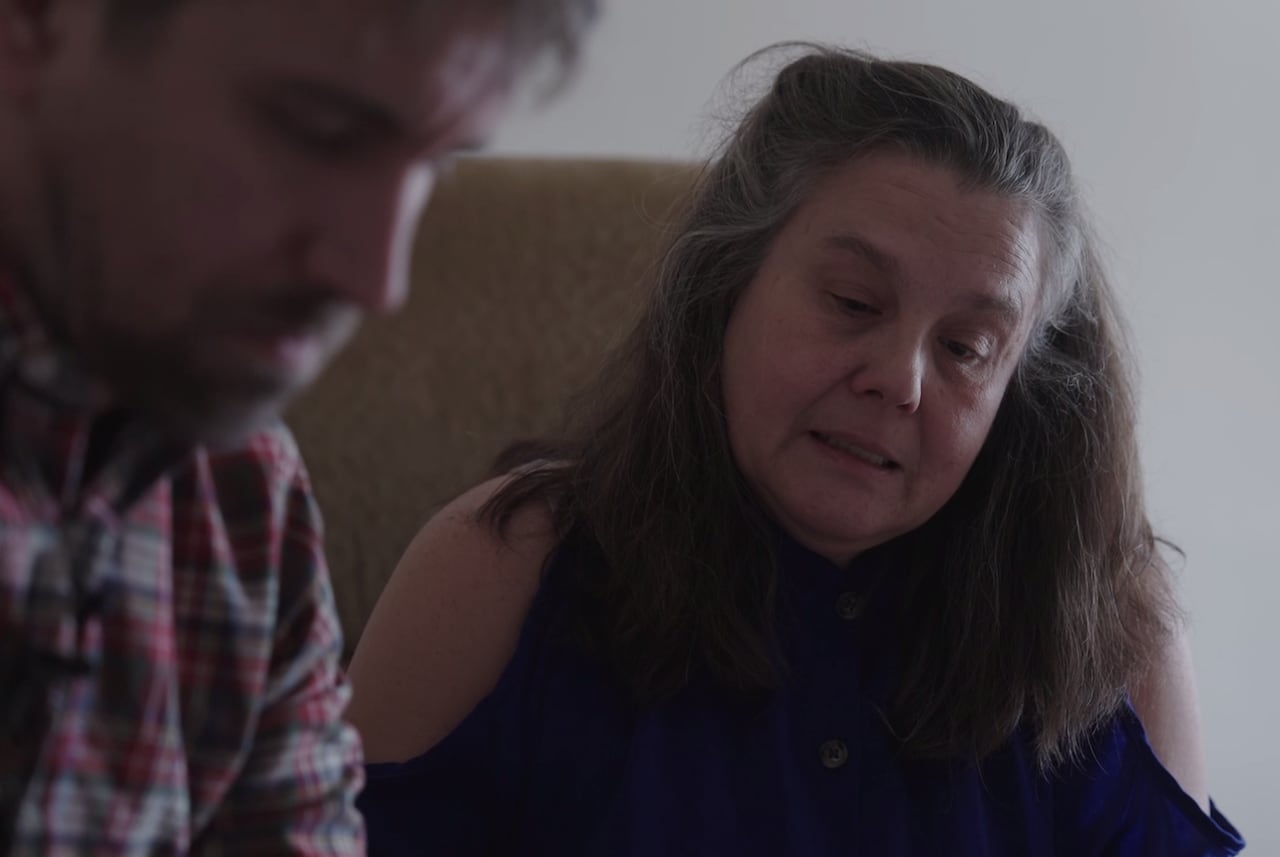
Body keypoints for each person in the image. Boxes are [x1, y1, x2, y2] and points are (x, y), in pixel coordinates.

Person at [347, 45, 1245, 855]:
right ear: (725, 287)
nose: (900, 380)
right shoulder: (498, 568)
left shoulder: (1110, 624)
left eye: (967, 349)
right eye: (854, 302)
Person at [0, 0, 596, 853]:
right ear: (35, 24)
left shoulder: (242, 490)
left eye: (436, 164)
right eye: (317, 130)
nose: (377, 278)